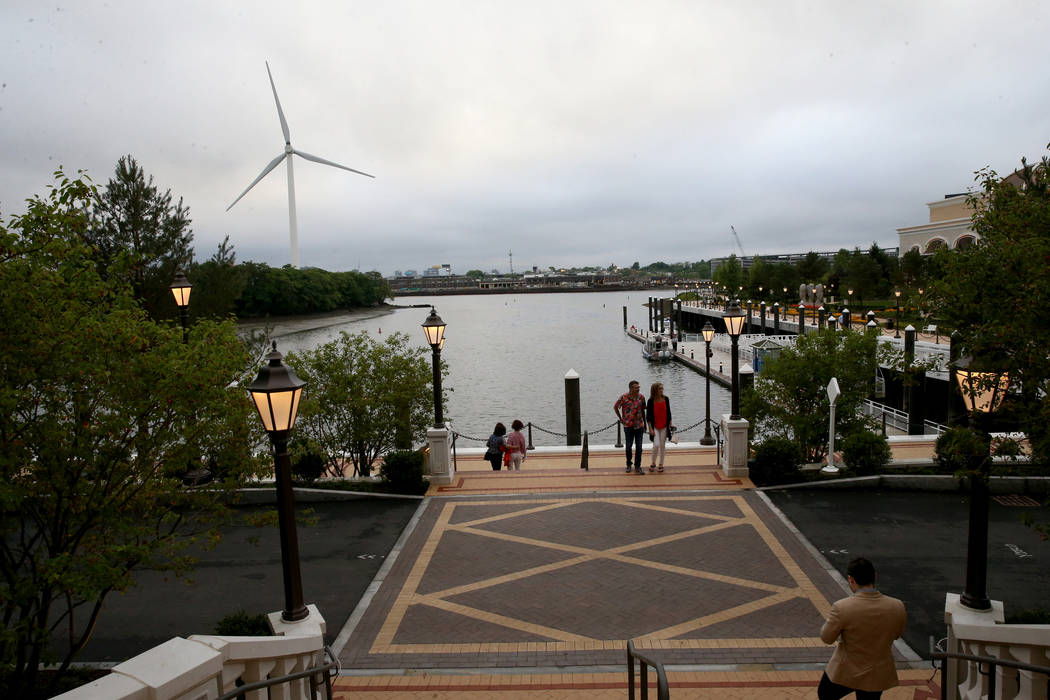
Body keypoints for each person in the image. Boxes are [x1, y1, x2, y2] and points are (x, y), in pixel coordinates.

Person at [818, 557, 907, 700]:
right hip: (877, 673)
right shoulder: (897, 606)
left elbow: (827, 638)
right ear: (875, 576)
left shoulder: (842, 607)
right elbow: (897, 634)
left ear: (851, 579)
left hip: (846, 671)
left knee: (825, 694)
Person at [613, 380, 646, 474]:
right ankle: (628, 464)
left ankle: (638, 466)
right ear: (631, 388)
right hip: (628, 426)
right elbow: (615, 407)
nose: (638, 389)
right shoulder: (624, 397)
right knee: (628, 447)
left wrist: (645, 425)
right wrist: (621, 418)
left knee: (639, 447)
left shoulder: (641, 397)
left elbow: (643, 410)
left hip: (639, 425)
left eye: (638, 387)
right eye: (636, 388)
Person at [645, 382, 674, 473]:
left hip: (664, 426)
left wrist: (671, 423)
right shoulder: (650, 401)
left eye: (662, 388)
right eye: (659, 388)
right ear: (655, 390)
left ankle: (661, 463)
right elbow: (648, 416)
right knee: (656, 444)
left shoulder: (666, 399)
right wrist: (650, 428)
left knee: (662, 445)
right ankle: (653, 462)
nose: (661, 390)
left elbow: (668, 412)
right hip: (655, 426)